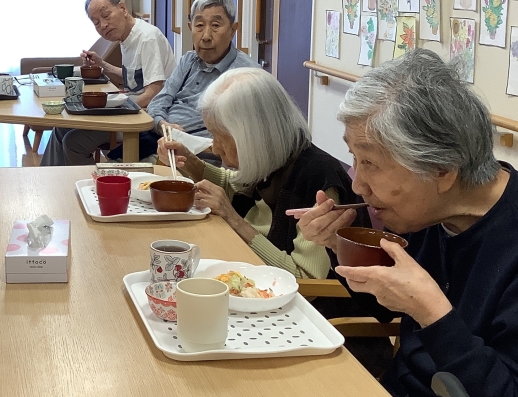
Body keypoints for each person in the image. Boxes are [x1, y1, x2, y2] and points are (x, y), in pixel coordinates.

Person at [297, 50, 518, 397]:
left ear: (442, 169)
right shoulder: (431, 213)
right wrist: (340, 247)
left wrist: (434, 313)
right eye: (354, 158)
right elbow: (382, 308)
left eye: (370, 162)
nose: (356, 184)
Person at [158, 66, 368, 278]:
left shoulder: (318, 182)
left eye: (222, 137)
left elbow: (305, 279)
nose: (216, 147)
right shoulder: (275, 155)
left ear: (255, 136)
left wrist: (236, 221)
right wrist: (188, 162)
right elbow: (236, 185)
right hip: (251, 269)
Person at [42, 0, 175, 166]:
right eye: (96, 22)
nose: (103, 25)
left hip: (144, 117)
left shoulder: (147, 38)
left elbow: (154, 91)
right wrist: (101, 64)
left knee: (74, 142)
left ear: (122, 8)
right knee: (61, 128)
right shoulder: (126, 37)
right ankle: (53, 180)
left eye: (106, 16)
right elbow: (133, 77)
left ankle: (90, 186)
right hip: (130, 109)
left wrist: (116, 107)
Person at [139, 0, 258, 160]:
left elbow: (242, 143)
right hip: (161, 141)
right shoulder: (189, 60)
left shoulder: (246, 75)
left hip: (201, 158)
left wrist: (183, 144)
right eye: (199, 26)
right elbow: (158, 102)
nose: (206, 36)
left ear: (233, 30)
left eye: (216, 26)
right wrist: (162, 125)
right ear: (190, 27)